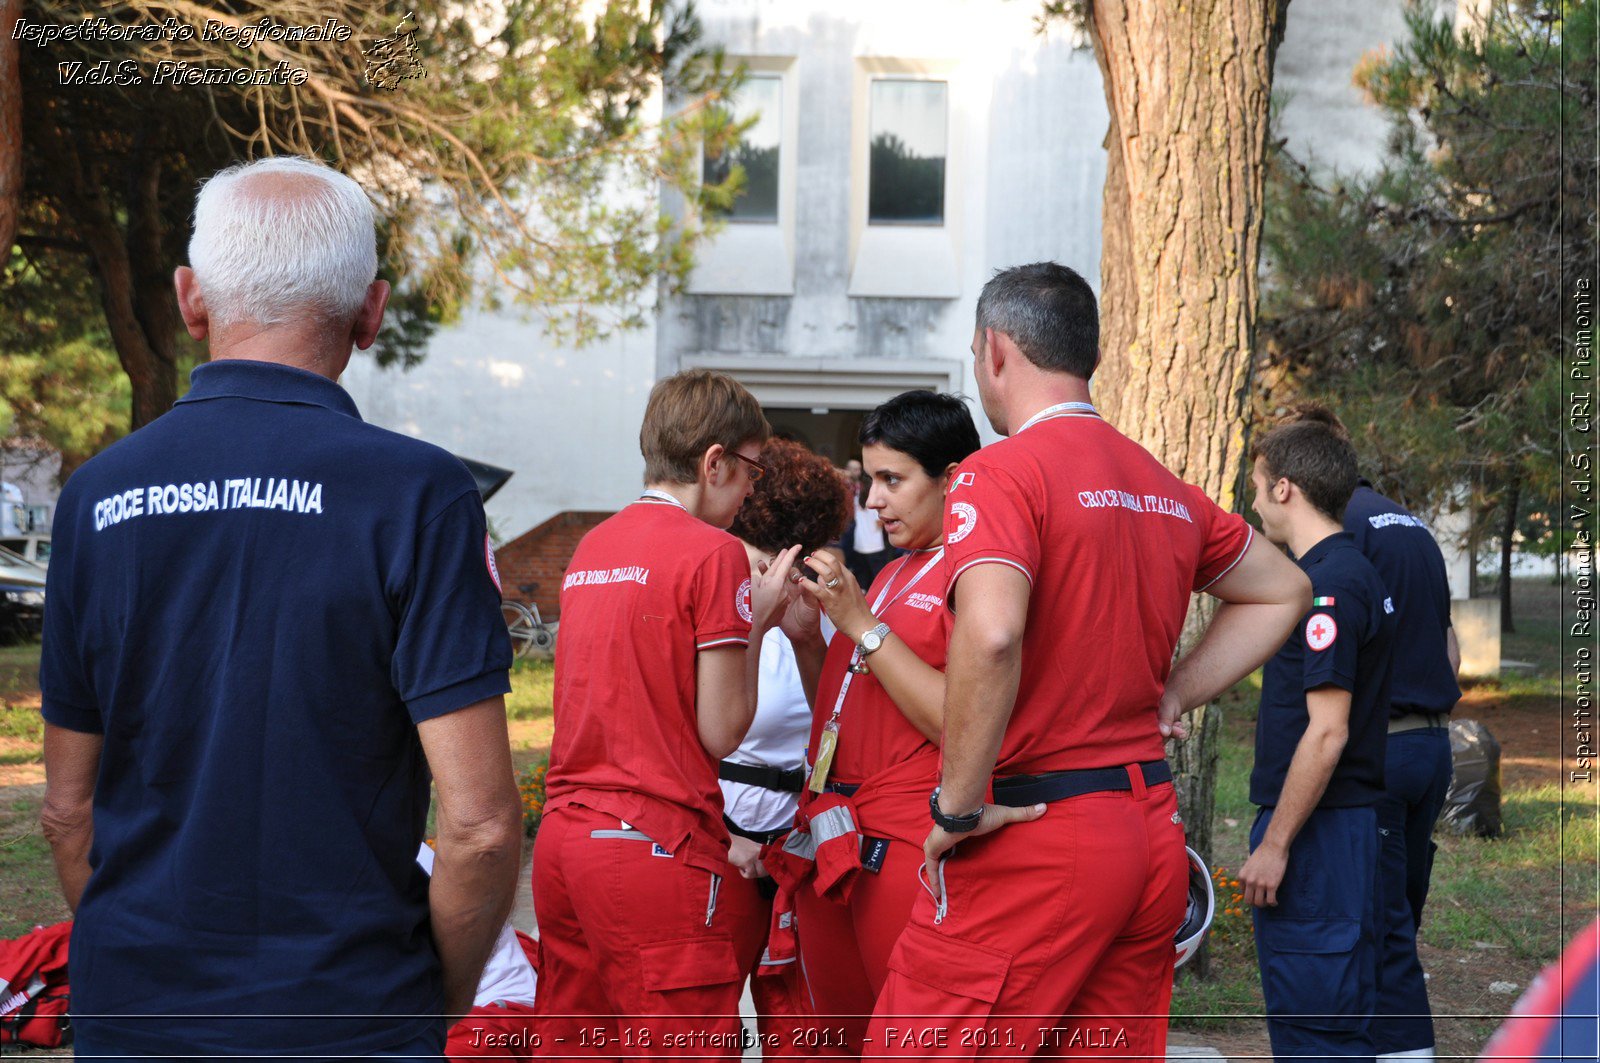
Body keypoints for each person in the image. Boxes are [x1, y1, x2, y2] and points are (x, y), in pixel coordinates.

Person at [37, 156, 523, 1059]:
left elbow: (67, 810)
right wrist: (431, 1002)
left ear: (190, 299)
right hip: (347, 1012)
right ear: (372, 312)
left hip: (136, 1011)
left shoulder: (94, 497)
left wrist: (141, 968)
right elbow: (481, 827)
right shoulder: (419, 496)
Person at [866, 262, 1311, 1059]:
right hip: (1145, 834)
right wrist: (1173, 693)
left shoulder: (997, 474)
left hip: (1039, 833)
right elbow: (1283, 587)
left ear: (995, 352)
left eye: (975, 356)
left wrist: (957, 807)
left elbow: (993, 633)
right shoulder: (1157, 481)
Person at [531, 368, 800, 1057]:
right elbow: (723, 728)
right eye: (749, 471)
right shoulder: (712, 553)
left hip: (566, 840)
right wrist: (761, 623)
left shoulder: (595, 545)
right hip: (651, 843)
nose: (748, 492)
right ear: (713, 462)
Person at [784, 390, 981, 1056]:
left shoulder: (976, 573)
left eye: (892, 480)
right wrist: (815, 639)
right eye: (870, 480)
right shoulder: (893, 571)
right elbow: (844, 713)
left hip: (902, 849)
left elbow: (964, 722)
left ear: (952, 478)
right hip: (834, 841)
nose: (871, 502)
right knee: (837, 1040)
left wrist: (862, 626)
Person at [1287, 404, 1462, 1061]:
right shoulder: (1411, 524)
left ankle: (1398, 1048)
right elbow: (1451, 652)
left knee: (1378, 930)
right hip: (1432, 745)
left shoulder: (1340, 535)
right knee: (1399, 918)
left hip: (1378, 755)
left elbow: (1332, 647)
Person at [1241, 415, 1397, 1063]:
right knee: (1330, 1020)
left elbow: (1327, 730)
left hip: (1318, 836)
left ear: (1286, 488)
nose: (1250, 502)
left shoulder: (1329, 583)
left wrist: (1277, 842)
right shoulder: (1344, 570)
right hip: (1340, 830)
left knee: (1318, 1033)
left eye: (1255, 486)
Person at [720, 438, 853, 1056]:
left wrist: (805, 641)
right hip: (723, 837)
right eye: (752, 557)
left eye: (780, 559)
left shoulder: (830, 612)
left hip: (799, 847)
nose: (764, 573)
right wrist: (725, 837)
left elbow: (842, 732)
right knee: (707, 1016)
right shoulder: (717, 602)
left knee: (800, 1025)